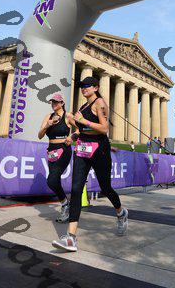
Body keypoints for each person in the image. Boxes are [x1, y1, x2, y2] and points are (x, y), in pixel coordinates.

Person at [52, 76, 128, 252]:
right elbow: (82, 130)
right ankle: (71, 238)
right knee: (76, 189)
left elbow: (104, 128)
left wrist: (82, 121)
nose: (83, 88)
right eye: (82, 86)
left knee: (105, 188)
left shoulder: (99, 103)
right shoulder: (83, 107)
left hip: (99, 150)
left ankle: (121, 212)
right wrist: (73, 136)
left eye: (87, 86)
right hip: (82, 149)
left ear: (96, 87)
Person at [38, 93, 75, 223]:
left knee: (51, 180)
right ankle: (65, 204)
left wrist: (72, 137)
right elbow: (40, 135)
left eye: (56, 102)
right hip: (52, 151)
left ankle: (65, 204)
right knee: (55, 180)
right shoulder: (48, 116)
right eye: (52, 102)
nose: (54, 104)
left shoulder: (68, 116)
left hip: (64, 150)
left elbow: (80, 129)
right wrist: (47, 125)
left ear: (62, 103)